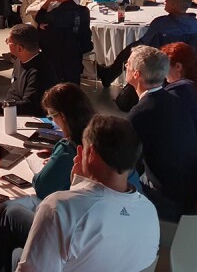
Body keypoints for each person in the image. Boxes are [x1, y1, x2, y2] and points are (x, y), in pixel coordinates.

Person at [15, 116, 159, 271]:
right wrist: (78, 187)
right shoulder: (149, 210)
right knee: (12, 214)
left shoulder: (58, 207)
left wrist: (76, 189)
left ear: (90, 152)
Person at [0, 83, 96, 272]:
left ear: (63, 116)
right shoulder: (96, 137)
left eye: (52, 116)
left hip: (65, 239)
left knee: (7, 212)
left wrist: (56, 161)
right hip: (82, 242)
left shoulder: (69, 149)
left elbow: (42, 187)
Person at [125, 46, 197, 220]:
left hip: (168, 199)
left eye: (128, 65)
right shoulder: (176, 100)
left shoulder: (140, 114)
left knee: (119, 174)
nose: (126, 67)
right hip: (194, 188)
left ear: (136, 74)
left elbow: (124, 162)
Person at [97, 0, 197, 87]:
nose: (165, 0)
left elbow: (146, 43)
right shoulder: (196, 24)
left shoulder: (161, 23)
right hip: (188, 60)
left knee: (130, 50)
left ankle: (109, 75)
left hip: (159, 59)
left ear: (175, 3)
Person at [0, 24, 58, 116]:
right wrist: (2, 107)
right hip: (15, 113)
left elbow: (29, 106)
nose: (6, 42)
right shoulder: (19, 61)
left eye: (9, 41)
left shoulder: (39, 72)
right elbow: (14, 91)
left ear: (20, 48)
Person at [35, 0, 92, 84]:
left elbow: (39, 17)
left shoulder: (57, 13)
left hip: (59, 50)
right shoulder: (84, 10)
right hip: (79, 47)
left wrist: (49, 0)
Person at [160, 42, 197, 142]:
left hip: (179, 146)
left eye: (164, 66)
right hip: (194, 146)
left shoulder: (181, 90)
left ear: (178, 67)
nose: (163, 72)